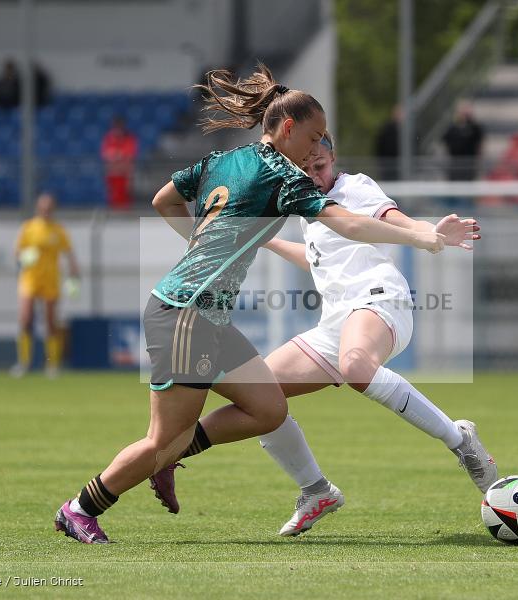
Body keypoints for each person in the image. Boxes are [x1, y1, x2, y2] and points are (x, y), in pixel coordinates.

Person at [53, 64, 446, 544]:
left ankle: (169, 460)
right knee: (164, 439)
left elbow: (163, 200)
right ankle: (79, 509)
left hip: (207, 314)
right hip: (186, 312)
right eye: (314, 135)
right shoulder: (283, 175)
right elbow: (351, 224)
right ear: (286, 128)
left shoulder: (223, 159)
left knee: (269, 409)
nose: (318, 147)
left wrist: (199, 245)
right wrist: (421, 238)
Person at [149, 133, 496, 536]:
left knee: (356, 367)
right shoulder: (307, 208)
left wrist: (430, 230)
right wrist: (269, 241)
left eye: (321, 166)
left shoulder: (356, 187)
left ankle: (460, 440)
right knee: (262, 395)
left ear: (334, 159)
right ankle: (316, 491)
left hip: (380, 301)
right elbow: (315, 260)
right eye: (307, 168)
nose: (314, 175)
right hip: (336, 322)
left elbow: (393, 219)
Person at [12, 193, 80, 379]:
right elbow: (17, 253)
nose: (46, 210)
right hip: (30, 279)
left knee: (51, 323)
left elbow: (70, 255)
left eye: (49, 207)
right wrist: (24, 257)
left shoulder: (58, 231)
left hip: (51, 280)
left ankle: (52, 365)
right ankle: (24, 363)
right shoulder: (29, 228)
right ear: (38, 208)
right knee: (26, 319)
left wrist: (74, 277)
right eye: (43, 207)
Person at [101, 116, 138, 209]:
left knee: (125, 199)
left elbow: (129, 156)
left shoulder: (129, 139)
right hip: (112, 174)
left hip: (124, 175)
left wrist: (116, 156)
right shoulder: (108, 138)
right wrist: (118, 156)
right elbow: (106, 155)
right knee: (113, 199)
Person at [441, 101, 485, 180]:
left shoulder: (474, 128)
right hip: (455, 165)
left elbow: (479, 143)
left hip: (469, 165)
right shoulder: (452, 128)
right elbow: (446, 141)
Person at [375, 105, 402, 181]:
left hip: (401, 166)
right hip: (388, 166)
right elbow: (380, 146)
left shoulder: (407, 130)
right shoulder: (386, 129)